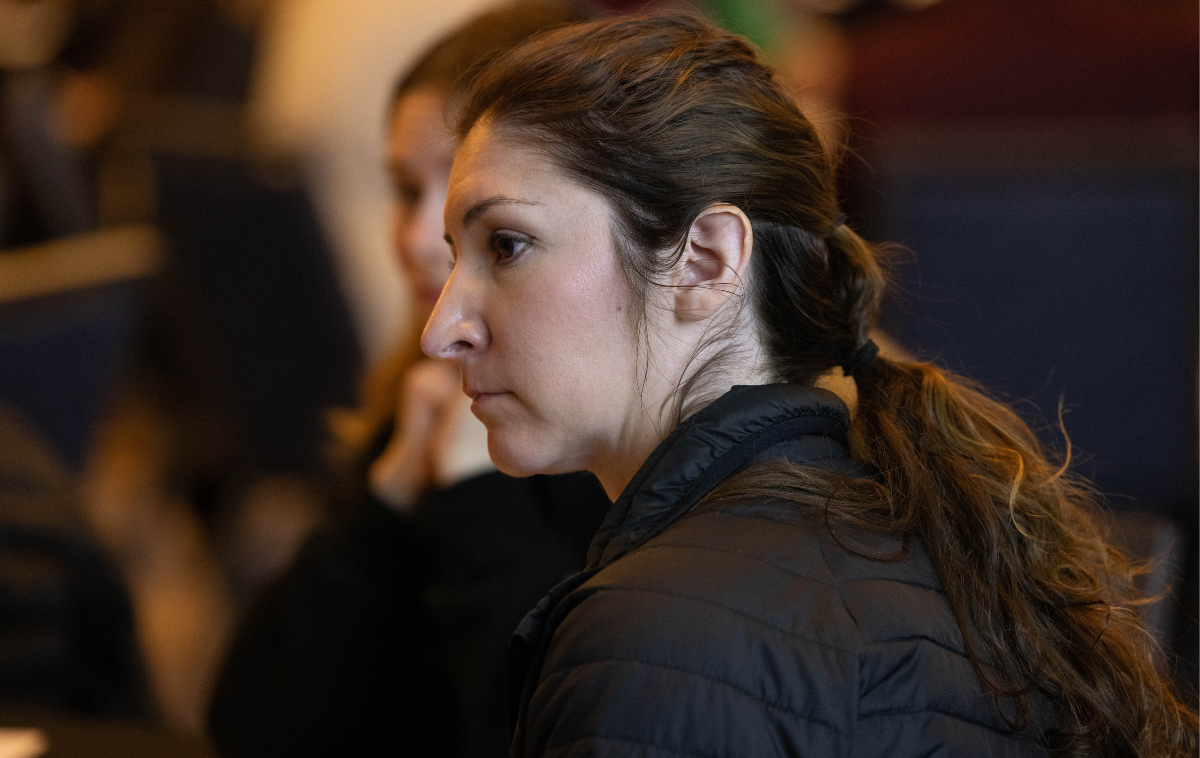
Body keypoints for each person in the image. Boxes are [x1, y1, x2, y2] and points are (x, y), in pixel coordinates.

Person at [421, 12, 1199, 757]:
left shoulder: (660, 633)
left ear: (707, 261)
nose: (442, 326)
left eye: (509, 245)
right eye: (456, 254)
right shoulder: (929, 543)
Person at [207, 5, 609, 758]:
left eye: (485, 218)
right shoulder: (427, 389)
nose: (421, 241)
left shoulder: (617, 454)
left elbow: (537, 734)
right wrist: (382, 508)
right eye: (404, 191)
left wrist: (480, 497)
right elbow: (254, 723)